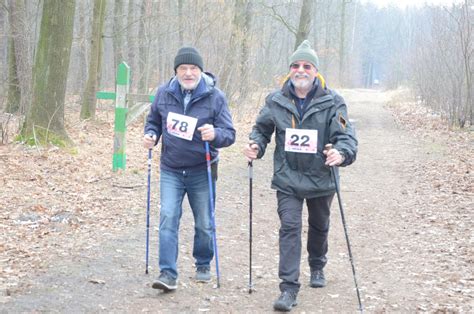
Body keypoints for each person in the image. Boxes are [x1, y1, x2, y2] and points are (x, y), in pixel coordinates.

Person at [243, 40, 357, 311]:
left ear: (315, 71)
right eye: (295, 65)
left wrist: (340, 153)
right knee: (290, 228)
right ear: (289, 70)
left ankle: (317, 265)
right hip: (288, 177)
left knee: (319, 225)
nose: (300, 70)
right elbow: (261, 129)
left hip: (321, 178)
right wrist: (255, 145)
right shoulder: (275, 100)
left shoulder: (334, 101)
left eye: (306, 66)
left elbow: (346, 137)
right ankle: (288, 288)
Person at [144, 46, 235, 291]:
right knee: (168, 217)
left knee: (204, 222)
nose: (188, 73)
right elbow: (153, 120)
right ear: (176, 71)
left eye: (193, 68)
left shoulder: (215, 97)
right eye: (183, 68)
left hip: (202, 169)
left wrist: (215, 133)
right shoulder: (164, 93)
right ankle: (167, 273)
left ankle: (203, 262)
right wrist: (151, 134)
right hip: (171, 168)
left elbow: (229, 135)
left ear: (200, 71)